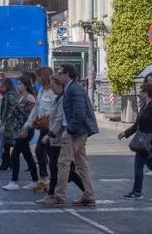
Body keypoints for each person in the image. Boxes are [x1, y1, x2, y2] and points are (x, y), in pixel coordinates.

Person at [52, 64, 98, 207]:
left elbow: (79, 112)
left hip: (75, 132)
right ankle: (89, 195)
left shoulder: (74, 89)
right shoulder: (71, 88)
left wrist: (70, 130)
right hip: (78, 132)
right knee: (81, 164)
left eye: (60, 73)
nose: (59, 75)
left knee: (63, 162)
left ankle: (59, 196)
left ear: (67, 74)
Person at [40, 75, 85, 206]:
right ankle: (54, 194)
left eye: (53, 85)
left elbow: (60, 119)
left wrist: (49, 135)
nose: (51, 88)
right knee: (60, 169)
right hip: (57, 138)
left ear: (59, 85)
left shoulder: (63, 99)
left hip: (60, 138)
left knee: (61, 169)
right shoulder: (57, 98)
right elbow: (55, 116)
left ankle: (55, 195)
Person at [2, 74, 39, 191]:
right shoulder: (21, 97)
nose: (17, 86)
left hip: (25, 131)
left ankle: (14, 181)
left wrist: (26, 129)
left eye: (19, 84)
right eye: (17, 84)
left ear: (26, 85)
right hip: (19, 130)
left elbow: (31, 116)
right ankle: (35, 180)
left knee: (15, 155)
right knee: (27, 156)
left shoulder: (30, 98)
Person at [21, 67, 55, 193]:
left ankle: (51, 181)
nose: (37, 79)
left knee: (48, 154)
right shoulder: (41, 90)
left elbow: (56, 109)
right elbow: (36, 108)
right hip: (43, 127)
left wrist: (46, 116)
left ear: (44, 76)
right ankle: (45, 180)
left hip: (51, 128)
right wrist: (28, 123)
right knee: (41, 151)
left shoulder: (52, 91)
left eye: (39, 76)